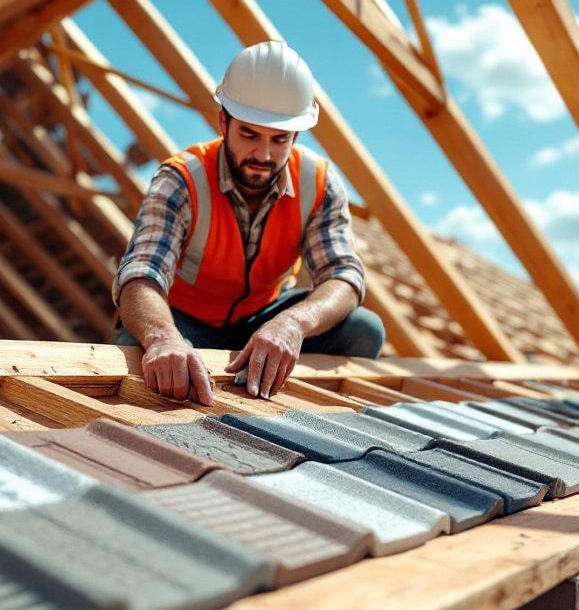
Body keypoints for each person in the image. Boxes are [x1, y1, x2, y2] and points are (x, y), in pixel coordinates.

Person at [113, 40, 384, 406]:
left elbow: (344, 276)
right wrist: (163, 338)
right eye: (250, 134)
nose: (263, 154)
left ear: (296, 136)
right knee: (138, 354)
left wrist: (293, 325)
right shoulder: (181, 179)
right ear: (224, 121)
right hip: (182, 322)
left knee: (364, 331)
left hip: (265, 318)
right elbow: (140, 275)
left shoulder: (317, 182)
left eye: (279, 139)